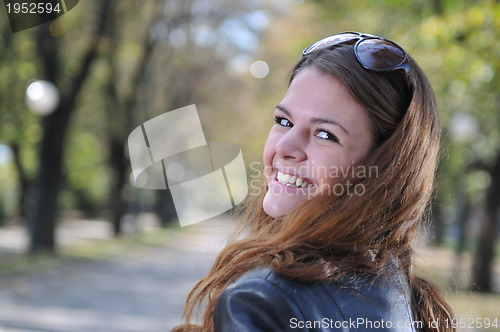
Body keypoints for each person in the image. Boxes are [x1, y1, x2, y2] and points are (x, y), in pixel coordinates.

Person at [172, 32, 455, 331]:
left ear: (383, 169)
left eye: (325, 134)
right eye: (284, 122)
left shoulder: (266, 301)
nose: (284, 148)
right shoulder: (394, 285)